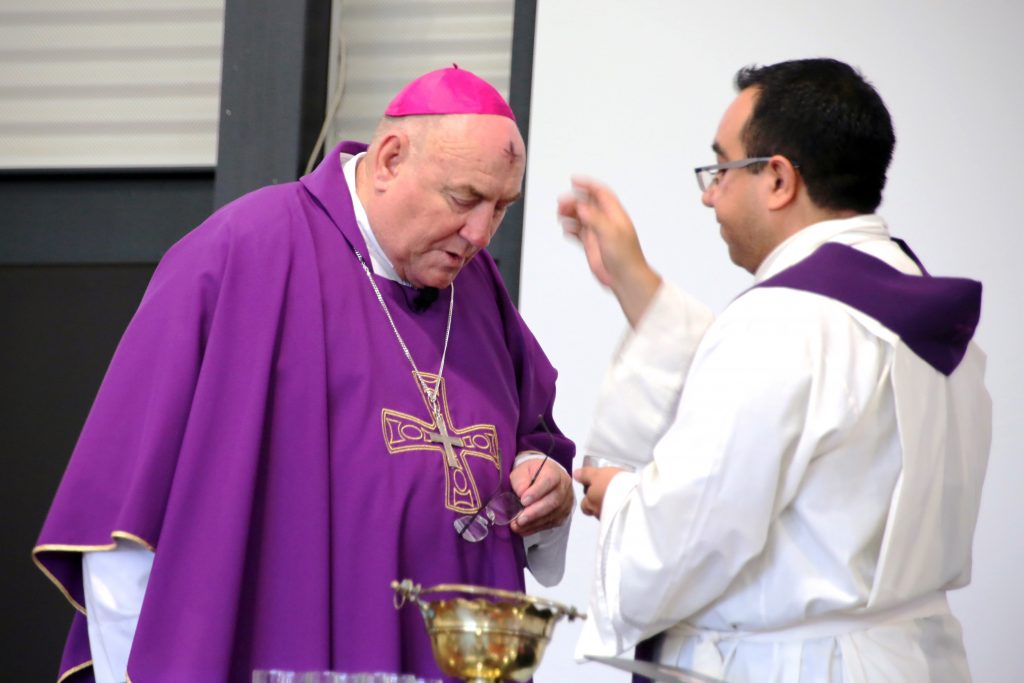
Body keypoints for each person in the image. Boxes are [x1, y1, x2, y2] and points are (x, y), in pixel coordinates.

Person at [34, 66, 576, 683]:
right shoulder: (243, 253)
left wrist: (548, 485)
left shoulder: (478, 293)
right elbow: (124, 517)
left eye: (501, 208)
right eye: (464, 199)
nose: (480, 234)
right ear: (392, 159)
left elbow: (535, 436)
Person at [561, 58, 991, 682]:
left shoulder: (784, 322)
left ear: (779, 179)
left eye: (721, 168)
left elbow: (680, 544)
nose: (709, 193)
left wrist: (619, 493)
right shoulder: (914, 312)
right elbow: (795, 434)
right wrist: (640, 287)